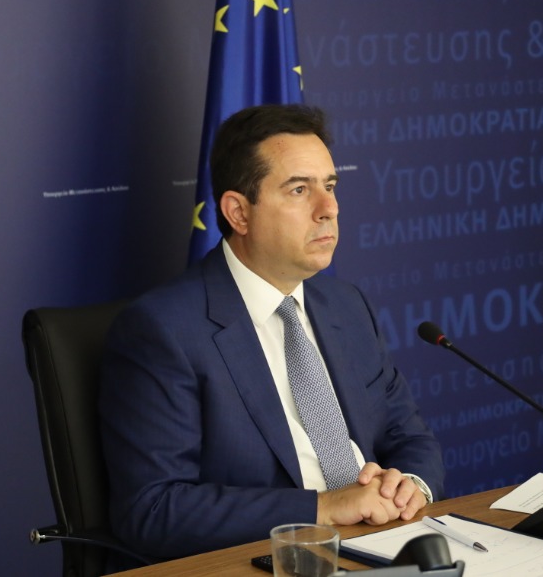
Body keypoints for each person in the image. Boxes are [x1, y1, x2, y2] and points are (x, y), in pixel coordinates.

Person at [99, 104, 443, 562]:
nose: (329, 209)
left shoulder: (347, 306)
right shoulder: (163, 331)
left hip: (380, 543)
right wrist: (323, 508)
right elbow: (154, 509)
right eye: (299, 190)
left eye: (330, 186)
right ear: (239, 213)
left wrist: (409, 485)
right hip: (272, 558)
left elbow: (410, 438)